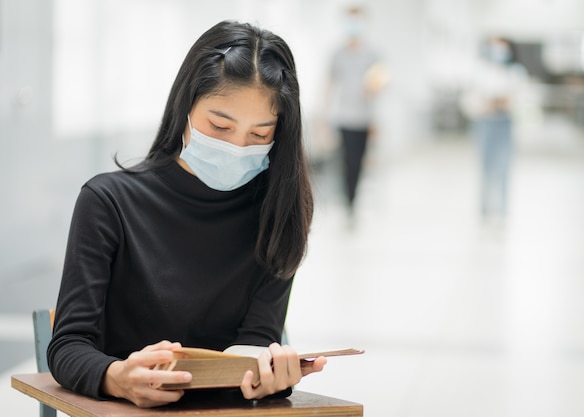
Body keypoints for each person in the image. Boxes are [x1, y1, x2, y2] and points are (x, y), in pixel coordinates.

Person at [47, 20, 326, 408]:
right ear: (185, 106)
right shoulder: (108, 201)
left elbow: (256, 343)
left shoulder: (278, 213)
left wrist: (269, 379)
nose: (237, 146)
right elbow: (68, 346)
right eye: (220, 125)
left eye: (260, 134)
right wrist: (116, 378)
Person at [327, 6, 387, 222]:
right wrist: (323, 118)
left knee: (358, 162)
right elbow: (329, 84)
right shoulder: (338, 53)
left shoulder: (373, 54)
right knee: (344, 161)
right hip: (343, 117)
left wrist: (373, 91)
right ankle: (346, 201)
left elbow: (380, 84)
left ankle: (353, 200)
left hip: (364, 118)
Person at [460, 37, 527, 222]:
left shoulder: (515, 72)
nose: (498, 51)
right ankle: (484, 212)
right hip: (485, 122)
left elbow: (522, 99)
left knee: (504, 168)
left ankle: (502, 212)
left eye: (502, 47)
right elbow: (469, 100)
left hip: (505, 123)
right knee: (485, 169)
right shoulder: (480, 70)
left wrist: (507, 103)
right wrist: (485, 104)